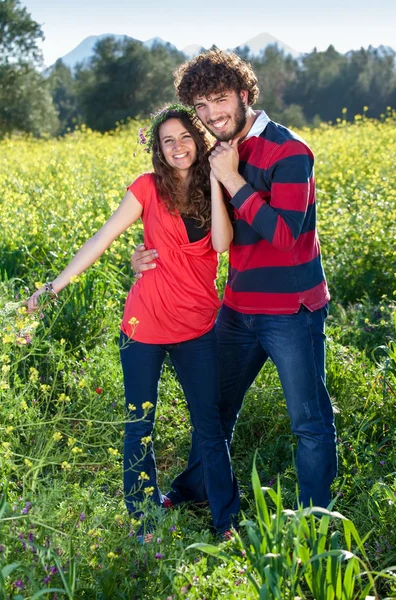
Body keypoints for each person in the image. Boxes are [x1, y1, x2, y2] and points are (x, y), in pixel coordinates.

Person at [131, 50, 338, 509]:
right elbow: (191, 224)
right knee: (213, 411)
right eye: (200, 106)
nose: (211, 115)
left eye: (219, 100)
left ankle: (314, 518)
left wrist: (233, 179)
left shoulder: (290, 151)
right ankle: (195, 493)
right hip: (238, 306)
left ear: (244, 94)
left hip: (292, 311)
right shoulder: (215, 154)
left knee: (309, 422)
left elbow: (285, 235)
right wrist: (144, 255)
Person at [27, 104, 240, 535]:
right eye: (168, 141)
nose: (178, 147)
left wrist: (218, 183)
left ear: (197, 142)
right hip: (143, 326)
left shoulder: (217, 185)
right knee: (138, 425)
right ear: (158, 150)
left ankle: (226, 522)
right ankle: (143, 521)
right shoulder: (146, 188)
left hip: (198, 327)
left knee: (210, 427)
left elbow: (220, 242)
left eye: (184, 137)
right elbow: (102, 238)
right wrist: (54, 285)